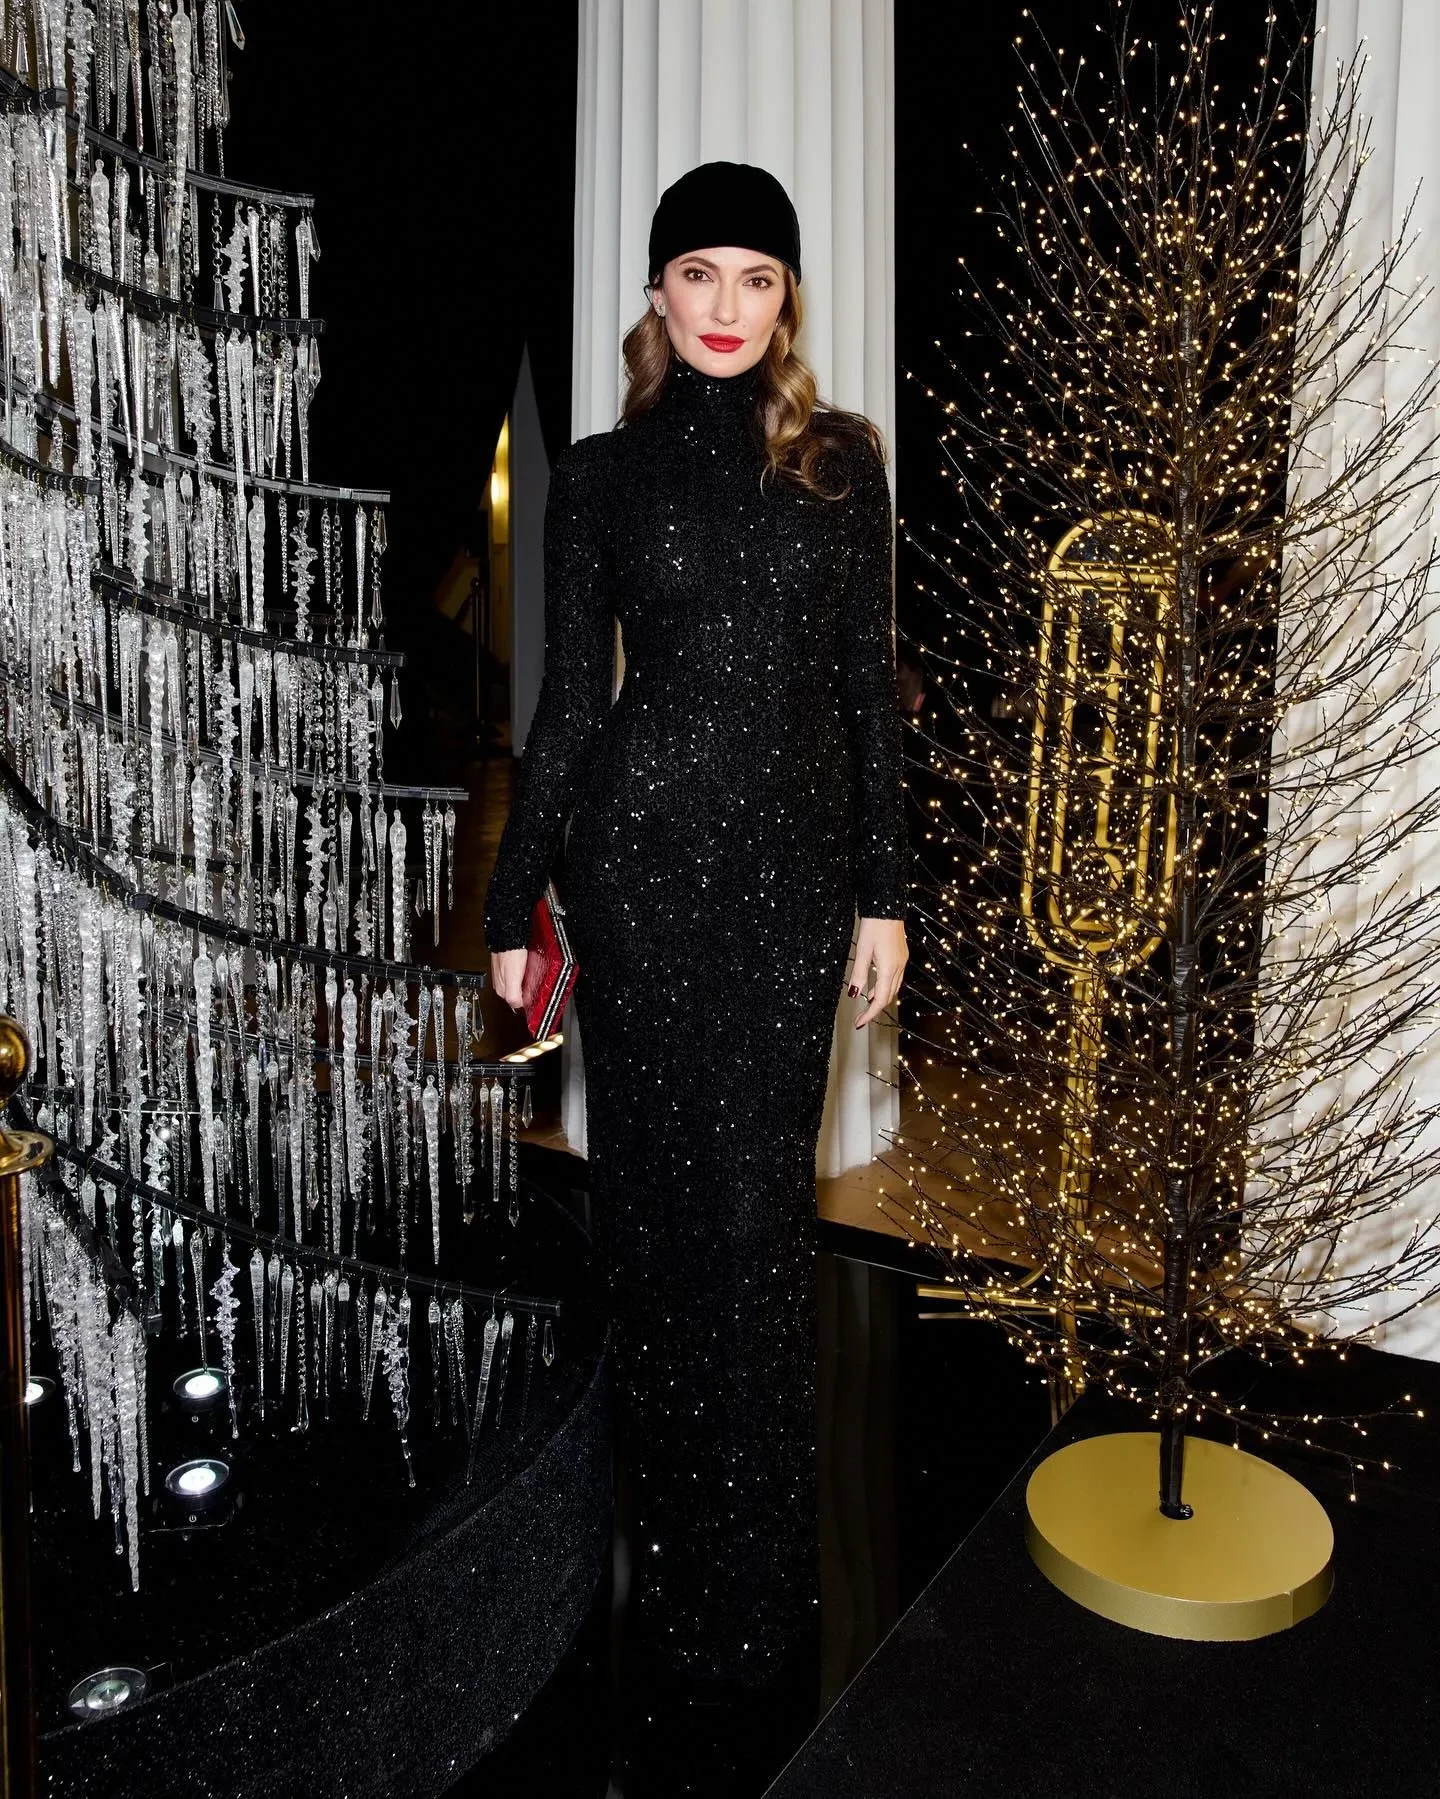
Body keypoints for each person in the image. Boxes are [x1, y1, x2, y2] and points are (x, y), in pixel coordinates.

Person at [483, 159, 909, 1736]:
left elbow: (868, 696)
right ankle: (669, 1560)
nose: (727, 305)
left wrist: (884, 892)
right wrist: (515, 904)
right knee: (656, 1225)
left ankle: (761, 1582)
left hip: (790, 896)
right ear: (658, 294)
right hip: (638, 881)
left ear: (787, 299)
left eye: (757, 277)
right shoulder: (599, 477)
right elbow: (569, 713)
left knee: (755, 1223)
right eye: (698, 274)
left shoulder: (840, 467)